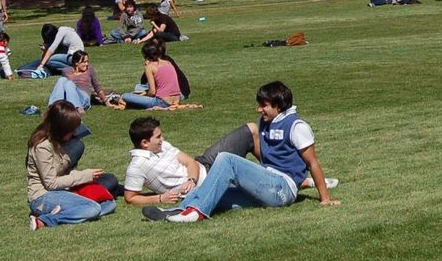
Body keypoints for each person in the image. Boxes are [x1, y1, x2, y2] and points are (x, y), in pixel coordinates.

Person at [140, 80, 337, 222]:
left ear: (278, 106)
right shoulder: (266, 122)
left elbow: (312, 162)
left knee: (226, 159)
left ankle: (196, 214)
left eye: (264, 105)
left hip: (282, 190)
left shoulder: (297, 126)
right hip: (268, 185)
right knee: (212, 191)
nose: (259, 109)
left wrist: (325, 199)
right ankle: (175, 211)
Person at [25, 101, 118, 229]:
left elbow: (62, 173)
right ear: (61, 129)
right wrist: (85, 176)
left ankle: (67, 211)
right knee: (93, 208)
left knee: (109, 202)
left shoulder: (57, 142)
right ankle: (46, 220)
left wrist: (86, 176)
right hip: (42, 196)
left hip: (62, 191)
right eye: (71, 130)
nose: (74, 132)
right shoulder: (42, 147)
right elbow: (51, 183)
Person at [120, 39, 195, 110]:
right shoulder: (168, 62)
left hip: (162, 102)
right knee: (139, 92)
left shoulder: (150, 67)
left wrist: (146, 96)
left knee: (126, 96)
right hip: (176, 100)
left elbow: (152, 91)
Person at [49, 50, 119, 110]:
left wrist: (107, 102)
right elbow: (62, 88)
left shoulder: (89, 70)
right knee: (62, 80)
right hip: (69, 98)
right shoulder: (66, 71)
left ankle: (78, 108)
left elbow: (97, 87)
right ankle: (54, 107)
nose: (87, 64)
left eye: (87, 61)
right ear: (76, 63)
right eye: (84, 62)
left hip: (83, 98)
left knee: (69, 84)